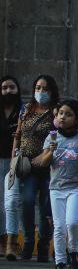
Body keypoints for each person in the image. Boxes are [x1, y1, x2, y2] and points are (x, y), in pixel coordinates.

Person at [34, 99, 78, 269]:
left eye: (68, 114)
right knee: (59, 227)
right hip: (56, 187)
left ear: (77, 119)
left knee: (72, 222)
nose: (63, 117)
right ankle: (60, 262)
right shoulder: (51, 137)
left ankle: (73, 251)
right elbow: (42, 162)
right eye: (61, 113)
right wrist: (50, 151)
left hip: (76, 187)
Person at [13, 75, 59, 262]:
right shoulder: (26, 109)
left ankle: (43, 244)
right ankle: (29, 241)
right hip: (27, 164)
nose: (41, 92)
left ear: (52, 91)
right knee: (27, 200)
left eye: (45, 88)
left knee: (46, 206)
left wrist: (45, 155)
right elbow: (18, 135)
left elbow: (58, 137)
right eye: (38, 87)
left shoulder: (55, 112)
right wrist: (13, 159)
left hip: (48, 165)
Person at [1, 76, 22, 259]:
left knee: (11, 202)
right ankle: (2, 240)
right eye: (5, 88)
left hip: (14, 161)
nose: (8, 91)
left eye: (12, 87)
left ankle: (11, 242)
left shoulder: (23, 111)